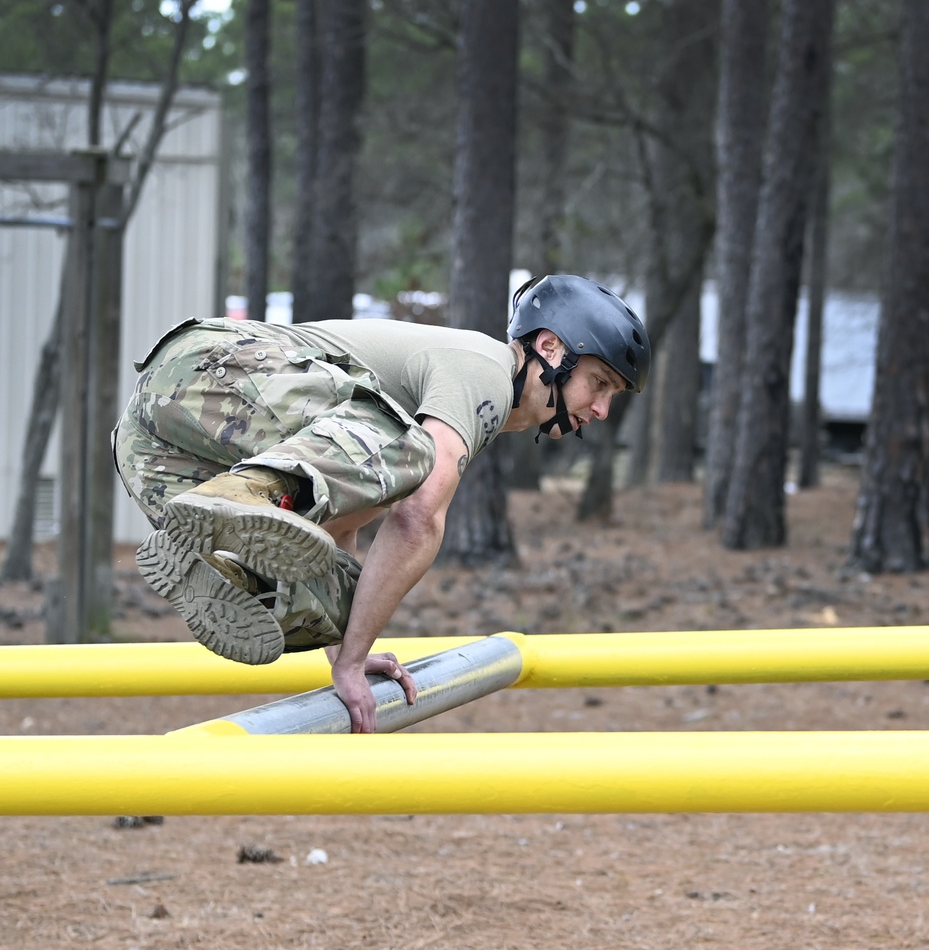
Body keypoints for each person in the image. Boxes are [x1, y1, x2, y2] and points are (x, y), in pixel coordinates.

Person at [113, 274, 650, 731]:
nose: (601, 409)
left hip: (154, 437)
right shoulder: (483, 371)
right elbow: (417, 520)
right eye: (598, 384)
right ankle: (249, 501)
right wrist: (348, 666)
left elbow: (344, 517)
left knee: (321, 595)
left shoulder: (401, 422)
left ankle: (228, 568)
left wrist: (347, 647)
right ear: (550, 350)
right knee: (414, 456)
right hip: (220, 364)